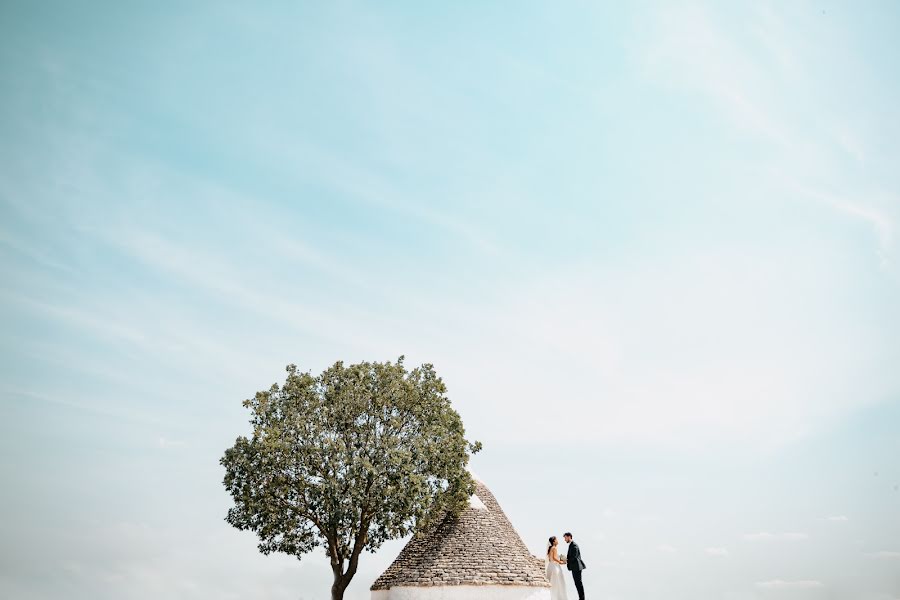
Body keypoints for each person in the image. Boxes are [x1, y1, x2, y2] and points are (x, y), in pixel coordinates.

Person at [564, 532, 586, 600]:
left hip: (577, 567)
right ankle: (581, 598)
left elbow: (574, 557)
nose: (565, 540)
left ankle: (582, 598)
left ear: (569, 537)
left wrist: (566, 560)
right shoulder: (571, 545)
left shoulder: (574, 545)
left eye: (565, 538)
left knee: (578, 583)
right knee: (577, 583)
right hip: (574, 567)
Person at [546, 536, 568, 600]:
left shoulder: (550, 548)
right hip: (555, 567)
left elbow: (551, 559)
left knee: (552, 581)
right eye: (556, 540)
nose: (558, 541)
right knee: (557, 583)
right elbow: (554, 558)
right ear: (553, 541)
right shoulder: (554, 548)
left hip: (550, 566)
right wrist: (561, 562)